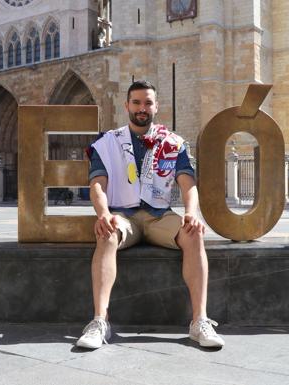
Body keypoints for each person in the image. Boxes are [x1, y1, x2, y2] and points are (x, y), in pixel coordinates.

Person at [76, 80, 225, 350]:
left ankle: (199, 321)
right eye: (136, 102)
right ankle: (99, 321)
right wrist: (103, 213)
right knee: (106, 235)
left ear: (156, 106)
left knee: (193, 235)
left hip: (159, 217)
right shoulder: (108, 143)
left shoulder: (172, 143)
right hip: (123, 216)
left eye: (147, 103)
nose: (142, 108)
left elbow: (187, 183)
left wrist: (191, 213)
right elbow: (97, 184)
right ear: (127, 106)